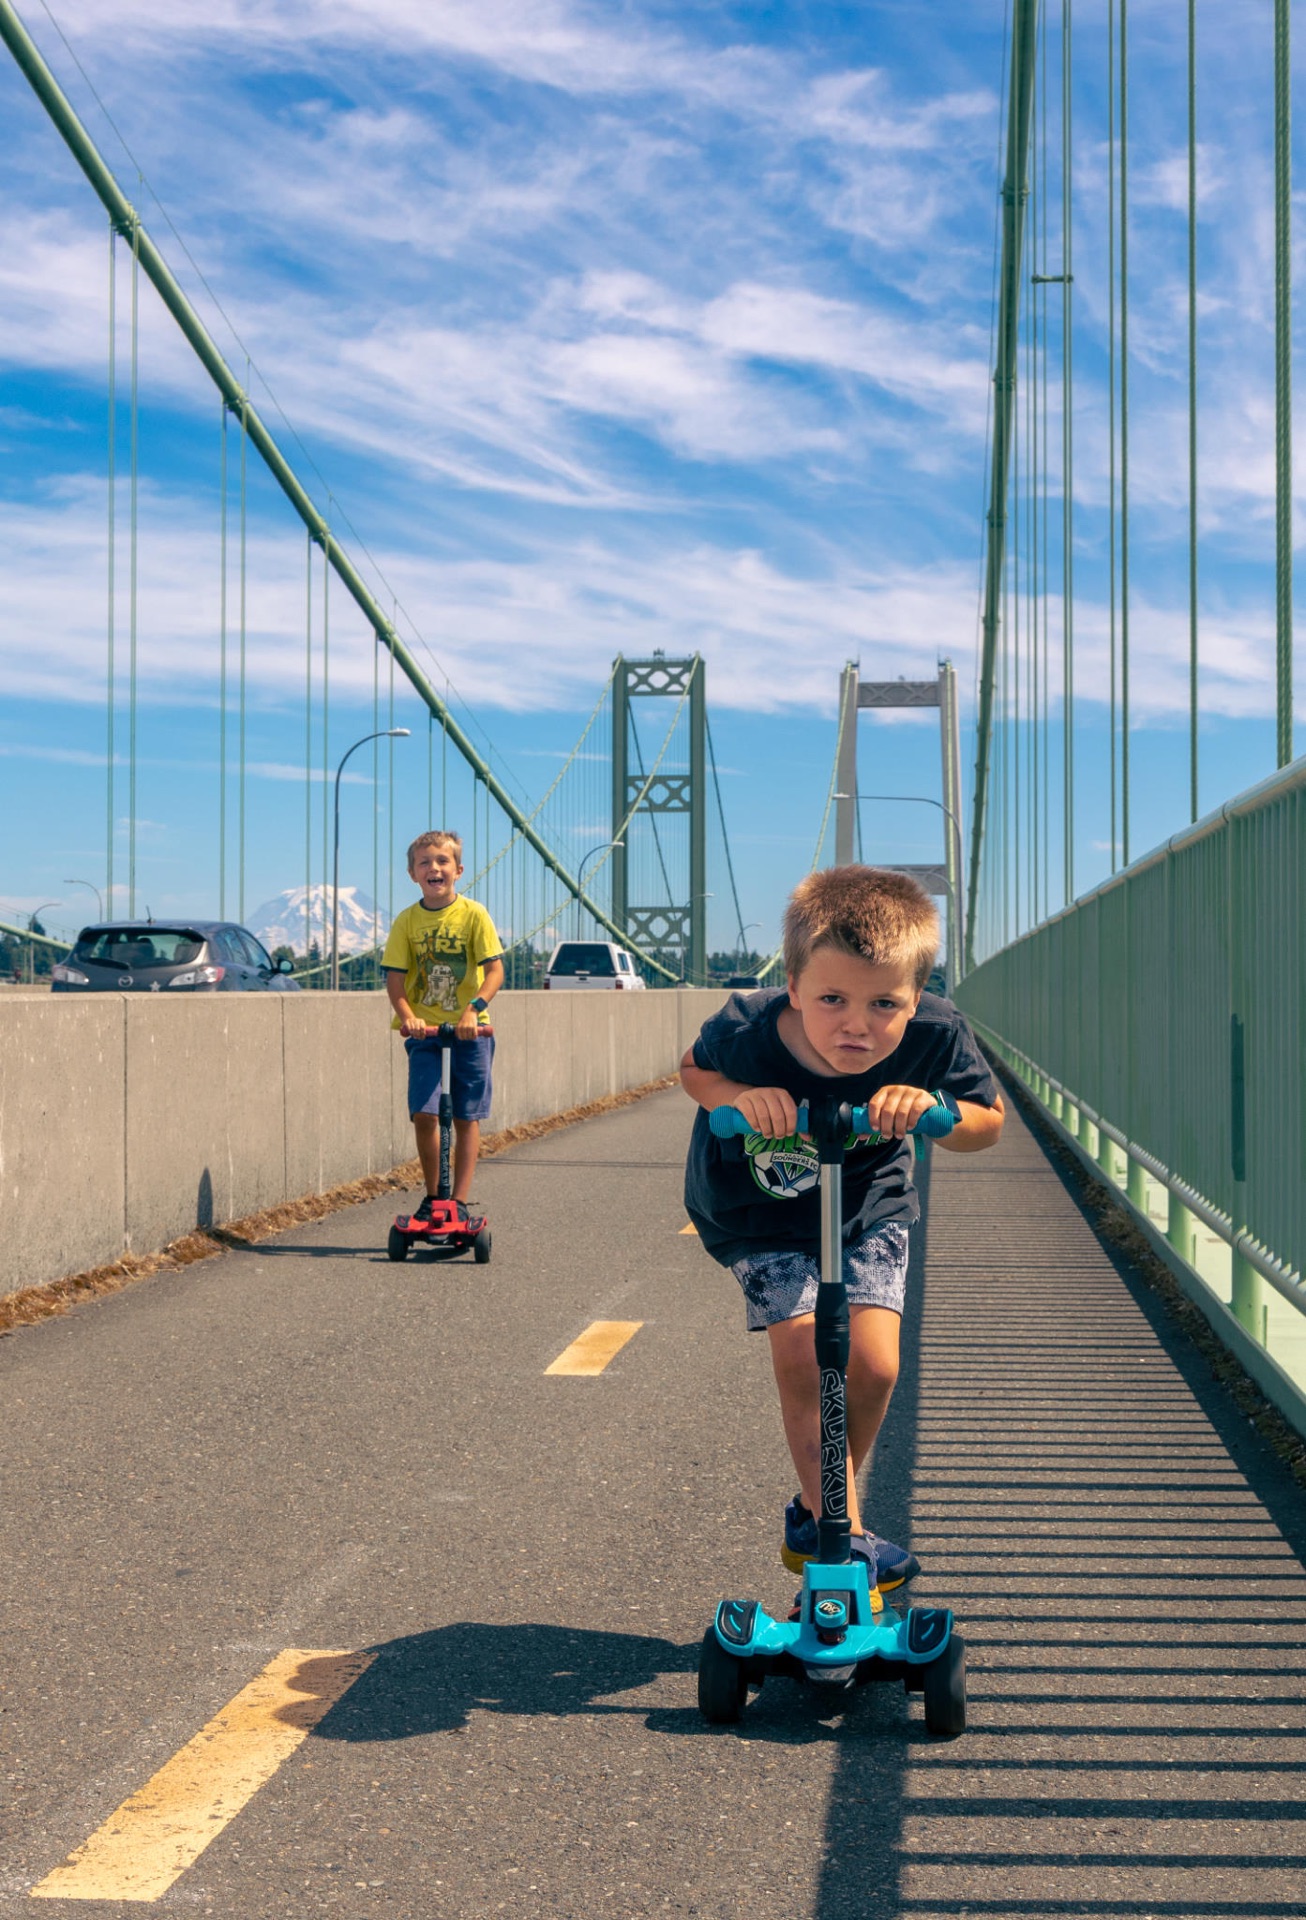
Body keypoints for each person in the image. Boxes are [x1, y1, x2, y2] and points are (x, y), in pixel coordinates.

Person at [681, 865, 1003, 1600]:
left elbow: (988, 1122)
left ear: (916, 997)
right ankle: (842, 1531)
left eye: (884, 1003)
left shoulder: (937, 1033)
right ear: (793, 987)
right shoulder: (748, 1027)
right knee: (806, 1350)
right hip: (758, 1207)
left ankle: (815, 1508)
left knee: (875, 1364)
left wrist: (934, 1112)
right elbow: (695, 1071)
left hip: (868, 1202)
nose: (856, 1024)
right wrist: (741, 1097)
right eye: (832, 999)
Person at [383, 830, 504, 1219]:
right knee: (425, 1113)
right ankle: (435, 1197)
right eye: (424, 863)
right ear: (412, 873)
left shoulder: (474, 914)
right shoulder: (406, 921)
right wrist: (409, 1018)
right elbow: (395, 980)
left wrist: (474, 1009)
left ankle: (460, 1202)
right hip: (426, 1035)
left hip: (471, 1034)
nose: (433, 868)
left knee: (467, 1117)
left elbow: (495, 971)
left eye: (442, 861)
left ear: (458, 870)